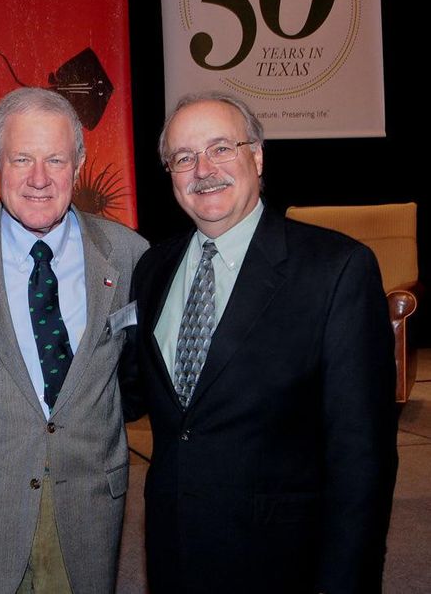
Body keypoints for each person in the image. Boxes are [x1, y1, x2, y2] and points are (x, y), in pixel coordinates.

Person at [125, 92, 398, 594]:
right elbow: (136, 394)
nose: (202, 169)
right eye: (183, 157)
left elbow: (362, 457)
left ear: (257, 156)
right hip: (174, 554)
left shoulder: (335, 270)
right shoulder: (152, 269)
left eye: (221, 148)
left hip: (283, 563)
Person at [0, 87, 148, 593]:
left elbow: (135, 378)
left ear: (79, 164)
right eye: (22, 158)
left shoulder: (130, 256)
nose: (39, 178)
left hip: (85, 517)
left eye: (55, 159)